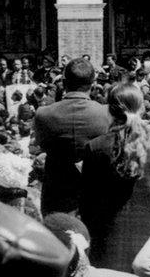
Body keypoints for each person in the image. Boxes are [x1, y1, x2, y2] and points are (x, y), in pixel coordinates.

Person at [81, 83, 150, 271]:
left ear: (110, 110)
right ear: (141, 108)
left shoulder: (95, 148)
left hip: (106, 241)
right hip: (148, 244)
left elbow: (86, 202)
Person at [33, 58, 112, 215]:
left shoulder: (43, 114)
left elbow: (41, 145)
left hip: (56, 192)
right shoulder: (107, 114)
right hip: (96, 192)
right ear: (93, 82)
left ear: (63, 81)